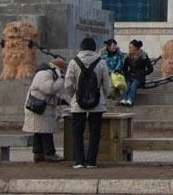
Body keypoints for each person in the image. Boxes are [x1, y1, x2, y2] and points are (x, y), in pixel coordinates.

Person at [65, 37, 112, 169]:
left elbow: (68, 83)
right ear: (94, 48)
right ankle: (92, 161)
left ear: (81, 47)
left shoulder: (74, 62)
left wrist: (73, 95)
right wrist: (104, 96)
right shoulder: (101, 62)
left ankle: (79, 161)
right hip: (97, 102)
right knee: (95, 132)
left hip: (78, 103)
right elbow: (106, 84)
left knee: (77, 132)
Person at [23, 57, 67, 163]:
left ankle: (38, 153)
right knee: (46, 131)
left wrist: (60, 101)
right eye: (62, 71)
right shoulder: (45, 74)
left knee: (40, 131)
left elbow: (46, 93)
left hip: (39, 107)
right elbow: (49, 89)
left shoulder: (46, 73)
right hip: (39, 108)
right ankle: (49, 153)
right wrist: (61, 79)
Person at [120, 39, 153, 107]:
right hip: (131, 76)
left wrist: (142, 73)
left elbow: (150, 68)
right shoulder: (128, 56)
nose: (130, 49)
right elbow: (124, 68)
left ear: (136, 48)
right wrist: (128, 74)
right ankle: (124, 99)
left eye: (131, 47)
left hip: (139, 77)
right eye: (129, 47)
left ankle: (130, 100)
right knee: (128, 84)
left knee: (134, 85)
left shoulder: (143, 56)